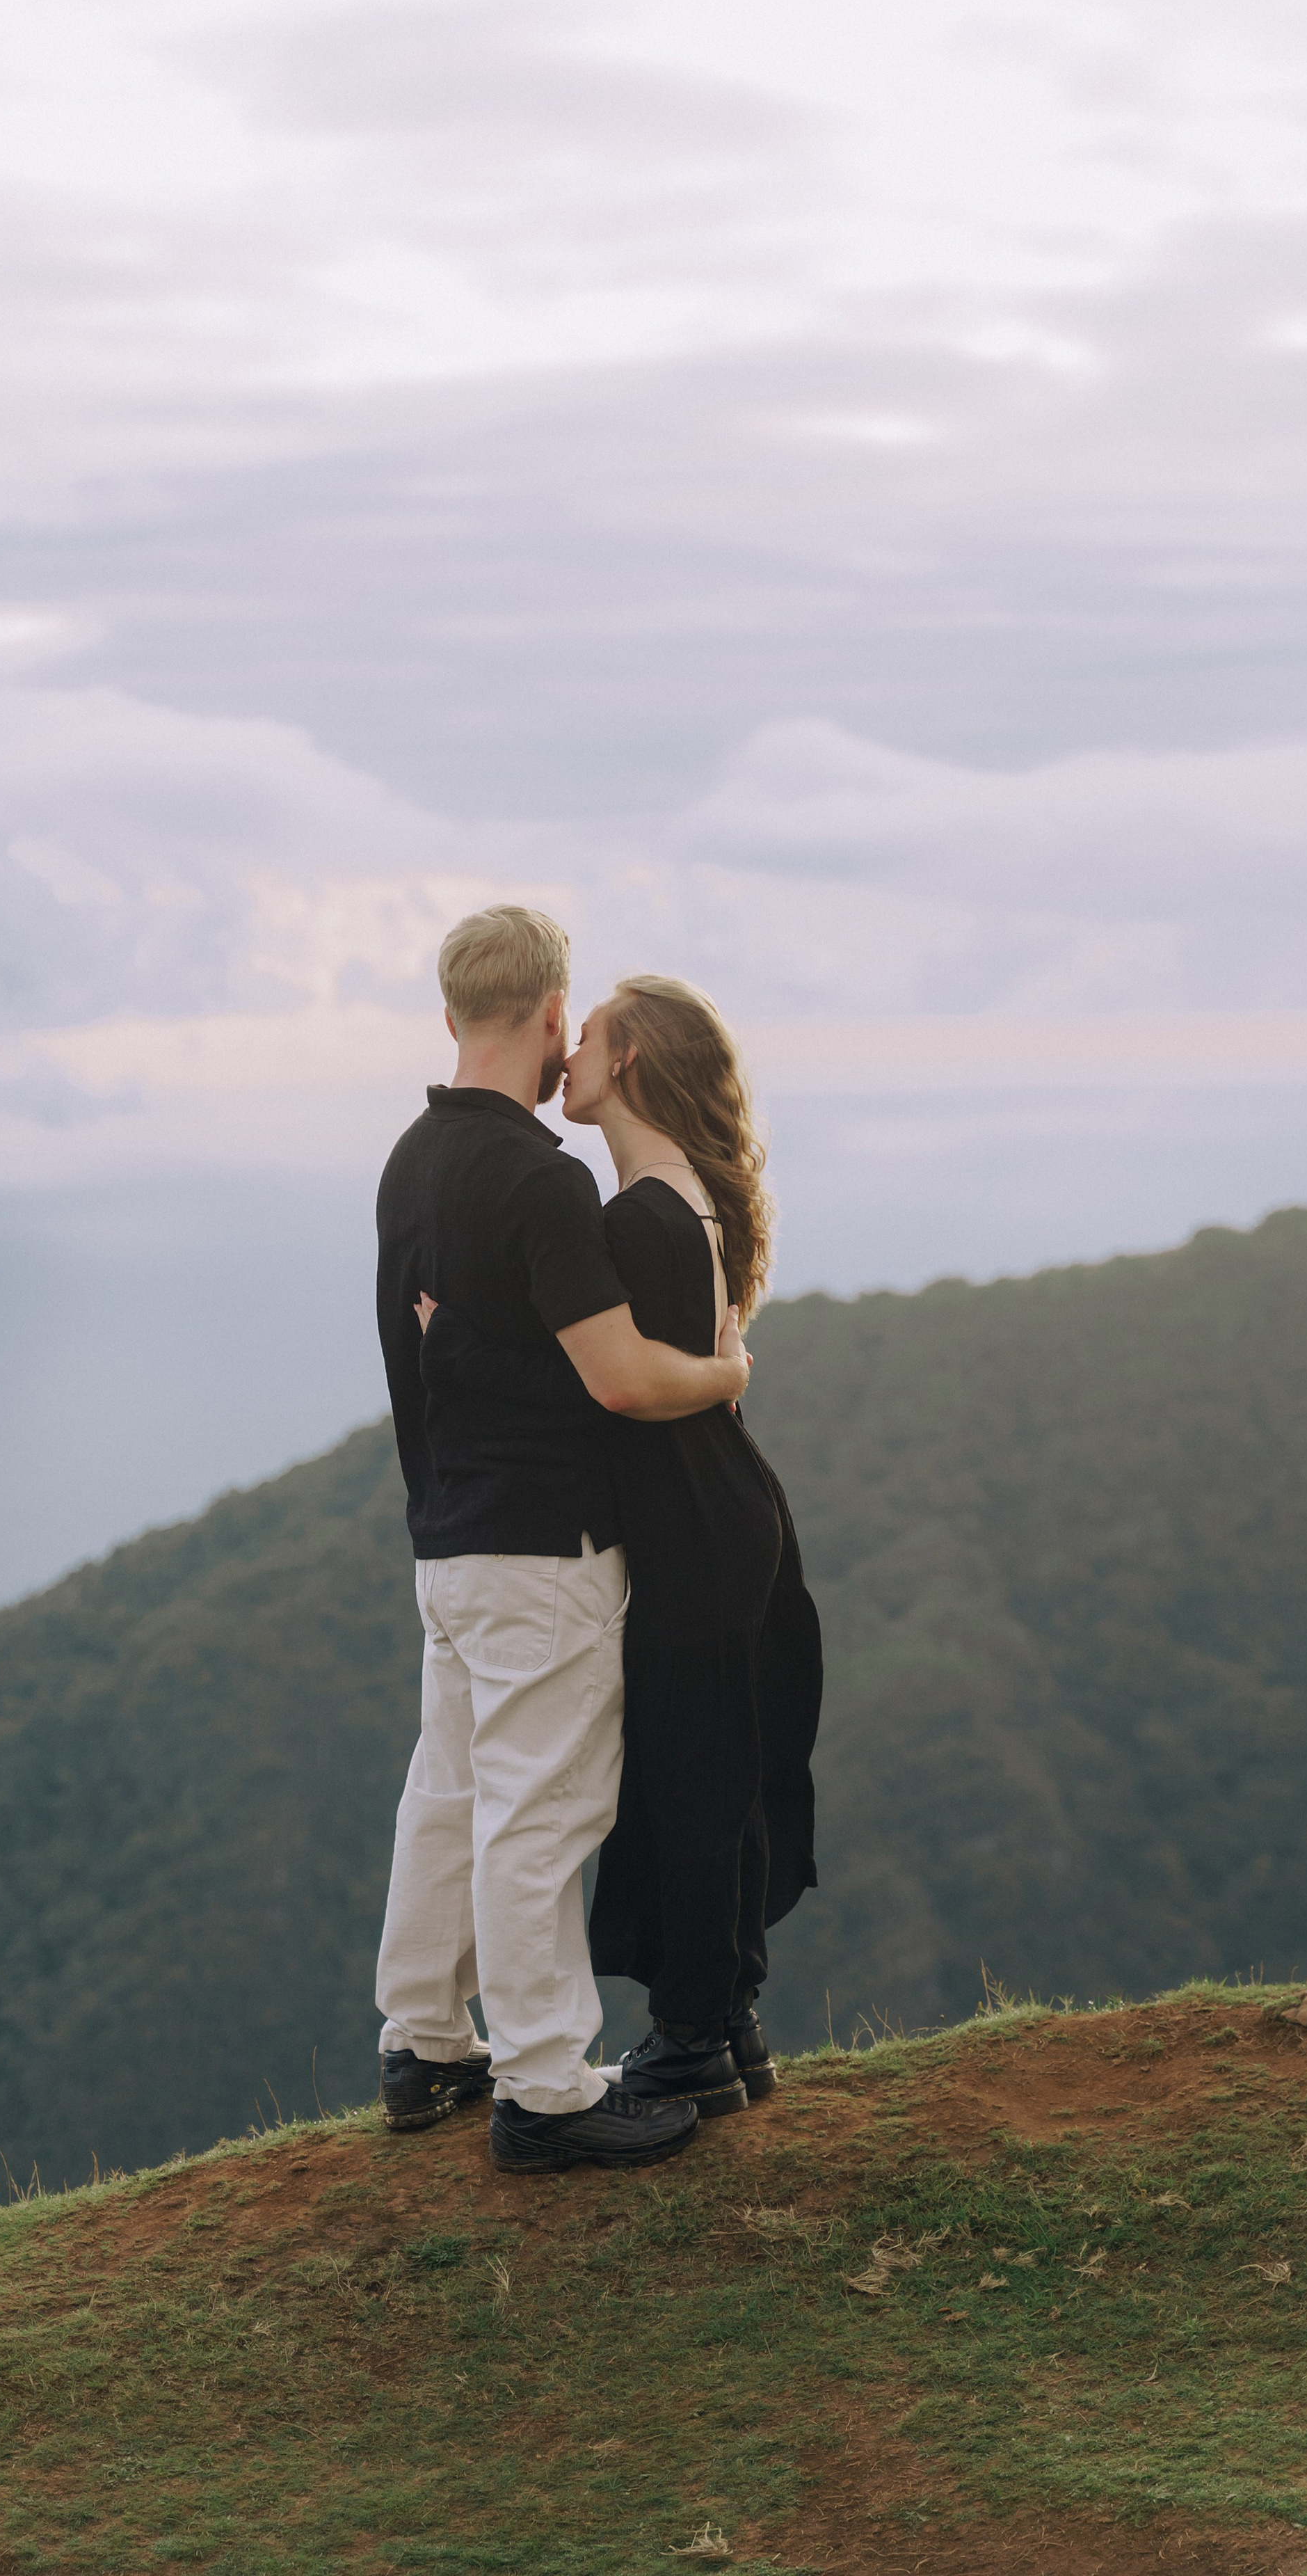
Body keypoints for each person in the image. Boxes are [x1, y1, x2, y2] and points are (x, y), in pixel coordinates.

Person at [373, 907, 752, 2175]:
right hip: (544, 1551)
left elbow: (438, 1358)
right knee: (542, 1811)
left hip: (447, 1540)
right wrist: (725, 1368)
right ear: (548, 1016)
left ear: (448, 1019)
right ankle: (544, 2090)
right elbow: (623, 1381)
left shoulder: (408, 1161)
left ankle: (425, 2043)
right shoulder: (544, 1181)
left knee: (452, 1793)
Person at [418, 975, 824, 2120]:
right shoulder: (680, 1198)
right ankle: (727, 2025)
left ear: (631, 1055)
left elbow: (609, 1385)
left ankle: (693, 2039)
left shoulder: (634, 1220)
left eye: (589, 1031)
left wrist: (455, 1345)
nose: (569, 1048)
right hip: (722, 1508)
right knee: (714, 1765)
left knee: (689, 1778)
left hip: (693, 1518)